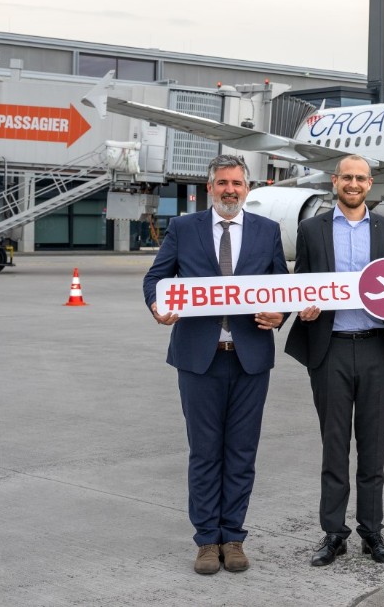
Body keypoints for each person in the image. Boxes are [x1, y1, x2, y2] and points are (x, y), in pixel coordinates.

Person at [143, 154, 288, 575]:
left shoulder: (267, 231)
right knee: (205, 451)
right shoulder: (184, 229)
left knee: (241, 452)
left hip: (250, 358)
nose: (230, 190)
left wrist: (282, 314)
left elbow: (282, 286)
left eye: (237, 184)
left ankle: (233, 537)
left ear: (248, 188)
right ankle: (207, 540)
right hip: (198, 358)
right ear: (210, 188)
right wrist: (157, 304)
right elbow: (156, 277)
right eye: (222, 183)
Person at [286, 155, 384, 567]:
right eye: (347, 177)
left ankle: (372, 531)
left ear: (370, 184)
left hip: (377, 346)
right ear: (334, 181)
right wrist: (304, 306)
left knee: (374, 446)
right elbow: (303, 282)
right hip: (330, 347)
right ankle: (333, 533)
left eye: (360, 178)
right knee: (335, 446)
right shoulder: (311, 229)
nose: (353, 184)